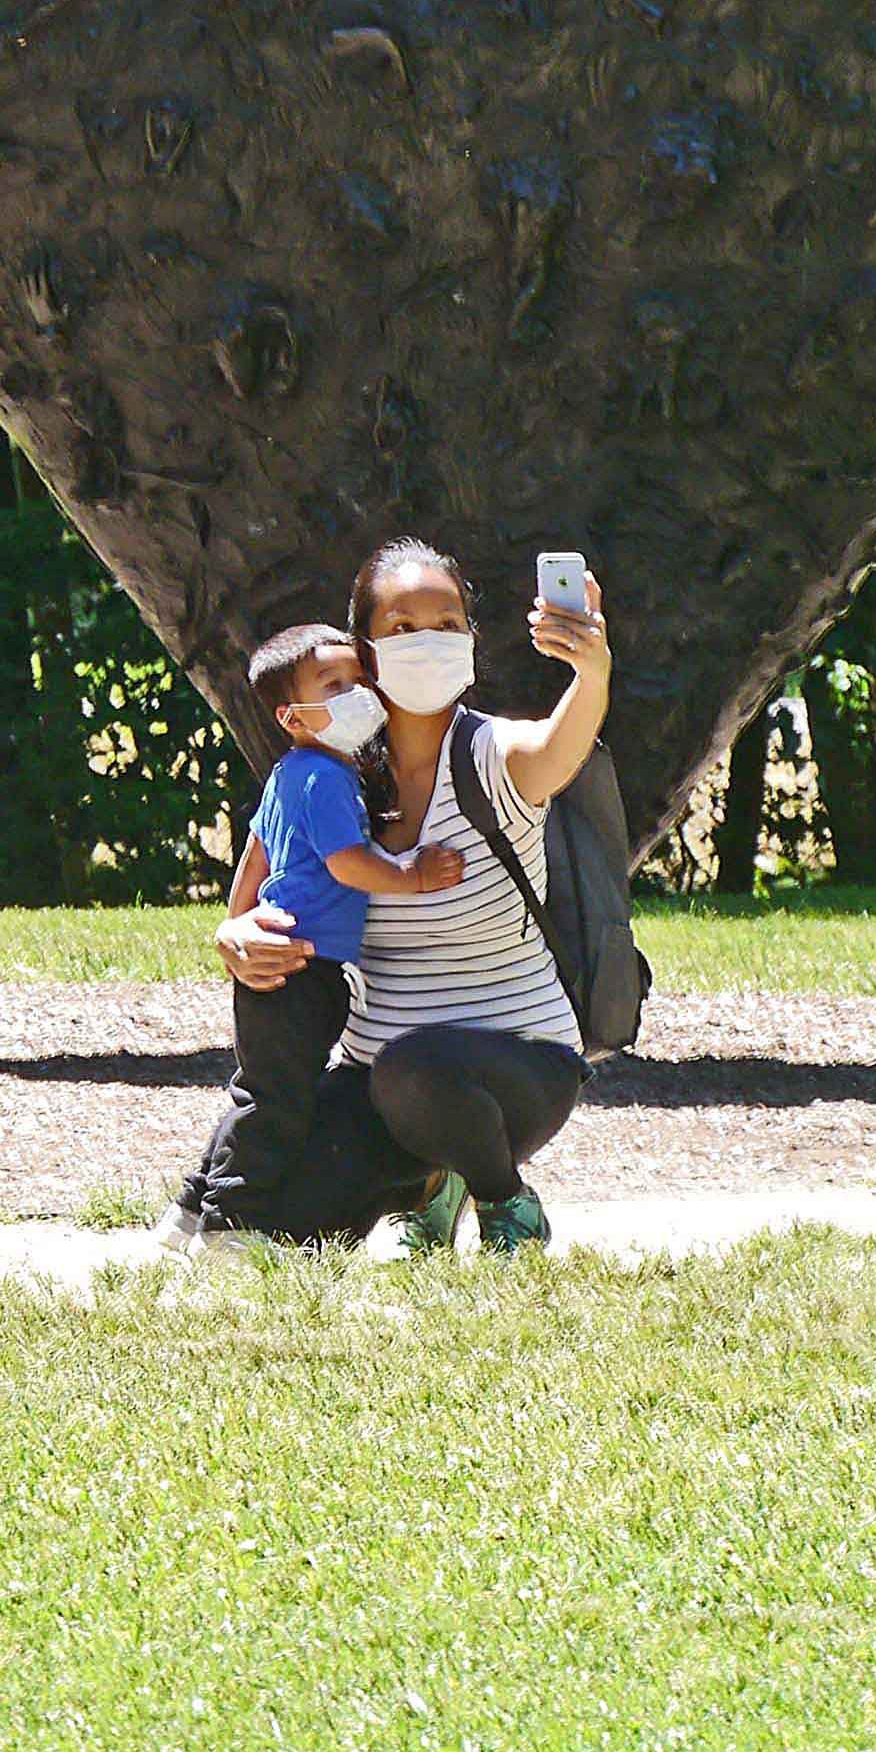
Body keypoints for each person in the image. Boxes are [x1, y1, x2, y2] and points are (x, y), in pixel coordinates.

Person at [216, 537, 618, 1254]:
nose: (426, 641)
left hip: (514, 1070)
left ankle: (503, 1200)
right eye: (401, 628)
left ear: (470, 640)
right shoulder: (332, 777)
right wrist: (237, 937)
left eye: (447, 623)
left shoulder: (496, 755)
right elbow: (255, 888)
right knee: (285, 1222)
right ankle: (428, 1184)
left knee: (416, 1067)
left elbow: (562, 744)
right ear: (363, 654)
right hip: (376, 1082)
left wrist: (591, 673)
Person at [170, 622, 472, 1232]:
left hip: (279, 960)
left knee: (257, 1088)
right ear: (294, 716)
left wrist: (238, 923)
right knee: (275, 1101)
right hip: (305, 967)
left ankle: (188, 1211)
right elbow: (346, 863)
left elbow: (253, 860)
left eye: (358, 679)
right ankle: (231, 1222)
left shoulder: (288, 774)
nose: (356, 693)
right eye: (333, 685)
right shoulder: (327, 776)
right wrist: (412, 875)